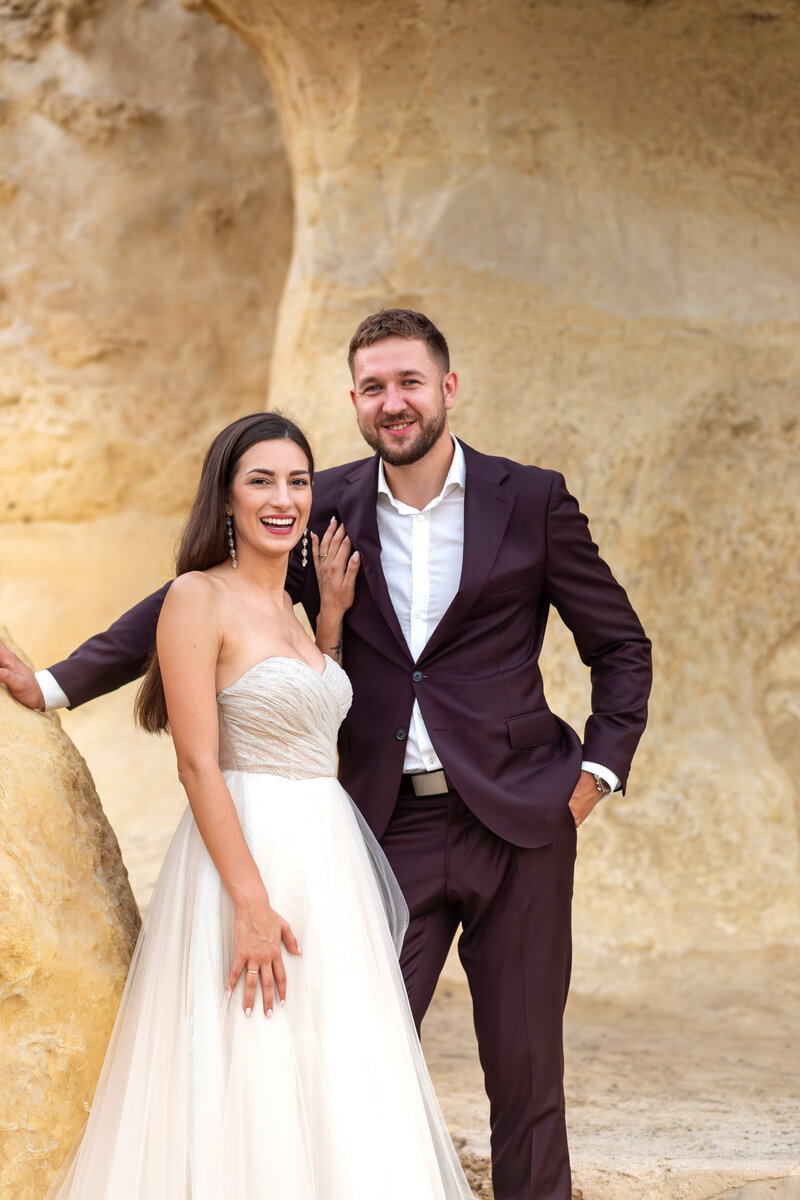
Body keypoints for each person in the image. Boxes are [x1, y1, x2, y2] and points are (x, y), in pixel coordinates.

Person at [1, 310, 653, 1200]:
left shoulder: (532, 499)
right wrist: (57, 683)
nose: (394, 403)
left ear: (448, 389)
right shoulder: (321, 503)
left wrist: (594, 778)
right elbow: (187, 599)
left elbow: (619, 643)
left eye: (410, 383)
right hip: (386, 830)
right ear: (354, 399)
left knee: (529, 1078)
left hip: (522, 824)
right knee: (346, 1058)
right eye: (374, 387)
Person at [22, 412, 475, 1200]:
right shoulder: (198, 598)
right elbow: (198, 764)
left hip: (324, 861)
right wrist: (251, 900)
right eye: (260, 480)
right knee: (250, 1065)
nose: (284, 497)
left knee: (327, 1067)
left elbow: (306, 711)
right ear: (224, 499)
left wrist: (330, 623)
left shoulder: (297, 611)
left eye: (297, 480)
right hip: (248, 853)